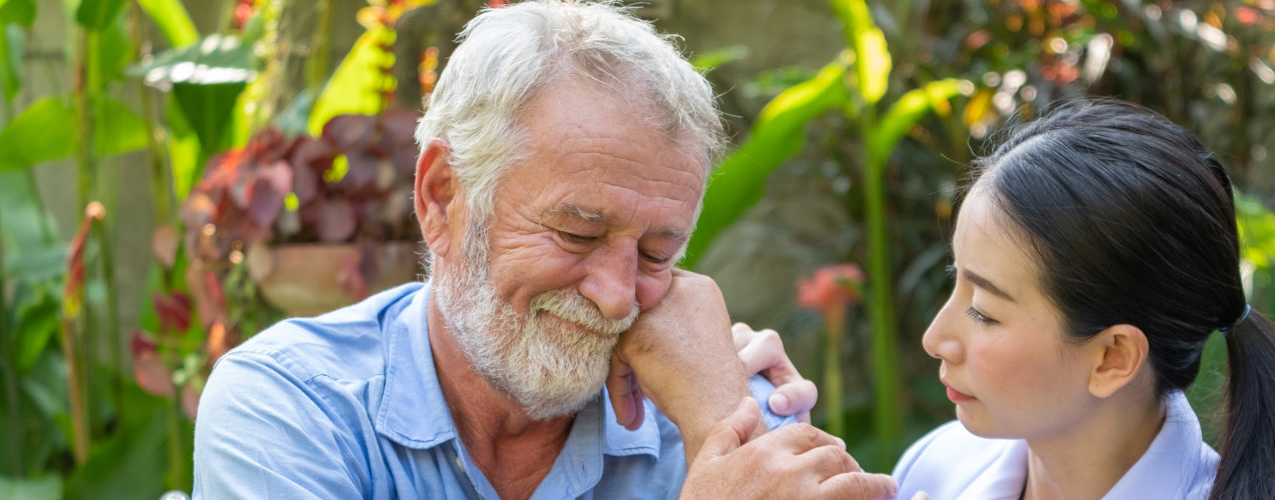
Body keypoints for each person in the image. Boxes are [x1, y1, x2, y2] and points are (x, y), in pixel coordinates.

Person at [192, 2, 894, 499]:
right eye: (578, 234)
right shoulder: (292, 405)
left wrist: (724, 428)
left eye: (657, 253)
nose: (618, 295)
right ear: (442, 197)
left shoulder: (715, 406)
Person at [738, 100, 1275, 499]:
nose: (935, 338)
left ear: (1112, 357)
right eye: (957, 280)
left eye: (985, 311)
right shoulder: (942, 466)